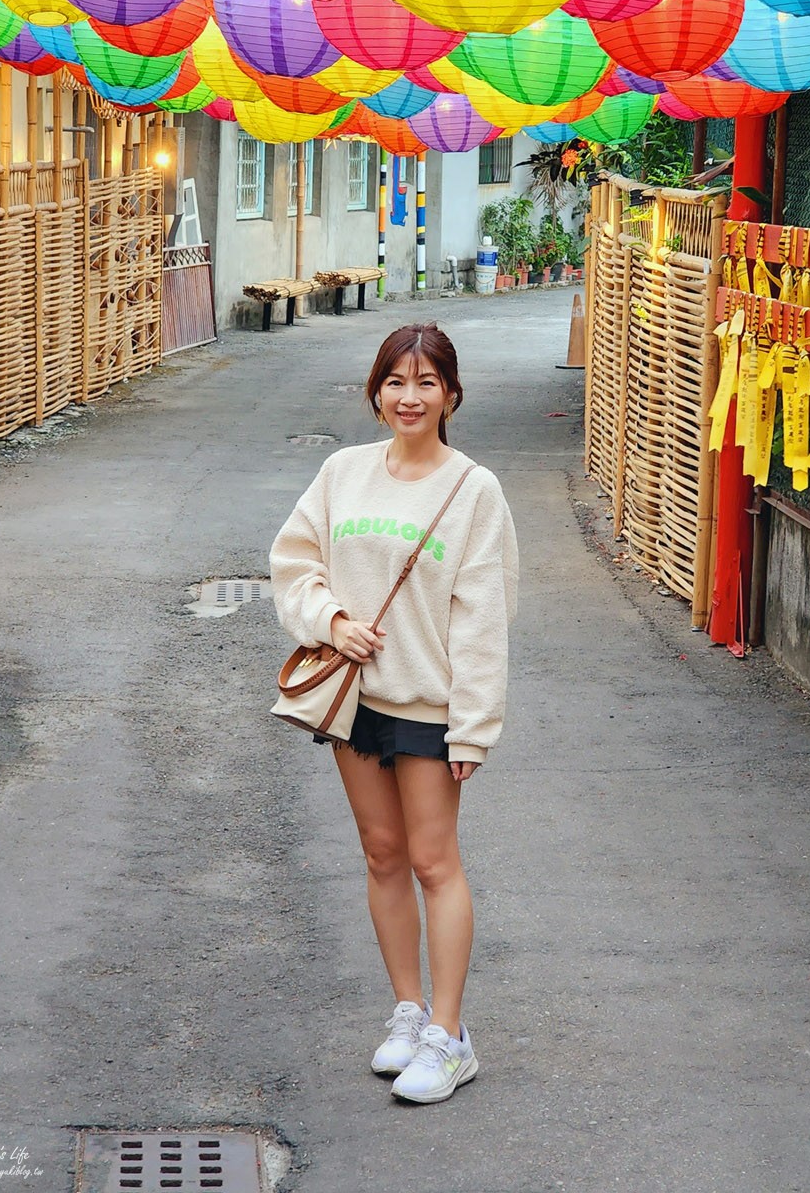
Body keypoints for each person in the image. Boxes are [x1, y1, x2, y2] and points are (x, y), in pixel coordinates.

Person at [270, 322, 518, 1104]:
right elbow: (294, 559)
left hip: (429, 706)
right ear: (376, 393)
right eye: (395, 382)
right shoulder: (343, 472)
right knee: (381, 854)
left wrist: (473, 725)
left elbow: (483, 615)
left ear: (451, 396)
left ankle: (450, 1036)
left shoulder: (472, 489)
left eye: (426, 383)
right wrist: (331, 621)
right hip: (354, 698)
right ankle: (407, 1012)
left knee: (433, 861)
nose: (409, 398)